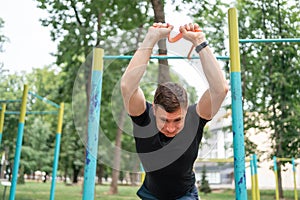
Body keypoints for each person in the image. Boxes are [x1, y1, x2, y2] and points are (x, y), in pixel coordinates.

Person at [120, 22, 228, 200]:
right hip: (151, 194)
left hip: (184, 195)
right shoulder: (143, 117)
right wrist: (151, 38)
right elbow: (127, 86)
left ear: (186, 111)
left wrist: (199, 41)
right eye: (164, 120)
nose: (170, 128)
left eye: (177, 120)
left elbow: (220, 89)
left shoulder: (195, 118)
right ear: (154, 110)